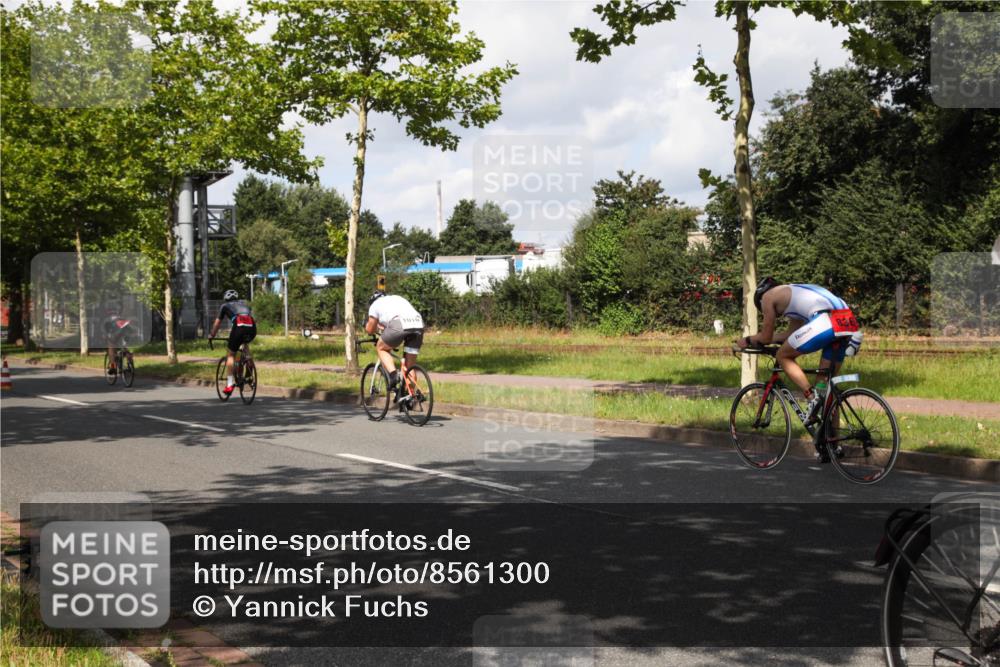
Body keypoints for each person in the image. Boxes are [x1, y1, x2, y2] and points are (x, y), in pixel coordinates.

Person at [736, 278, 863, 457]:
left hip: (827, 320)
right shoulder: (793, 293)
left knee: (783, 355)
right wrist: (770, 340)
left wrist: (747, 340)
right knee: (824, 387)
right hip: (847, 320)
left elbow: (765, 336)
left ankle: (810, 397)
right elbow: (789, 335)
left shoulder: (766, 297)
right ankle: (832, 445)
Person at [364, 290, 424, 401]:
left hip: (399, 324)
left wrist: (367, 327)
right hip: (418, 324)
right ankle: (408, 396)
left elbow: (370, 329)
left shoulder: (374, 305)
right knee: (409, 366)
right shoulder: (396, 298)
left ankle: (393, 375)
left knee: (381, 347)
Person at [209, 290, 256, 396]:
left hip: (239, 327)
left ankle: (229, 385)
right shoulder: (244, 305)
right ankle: (249, 370)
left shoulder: (224, 306)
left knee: (230, 354)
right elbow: (251, 318)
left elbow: (217, 323)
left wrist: (212, 335)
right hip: (252, 327)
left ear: (226, 299)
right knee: (245, 345)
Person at [102, 303, 132, 375]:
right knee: (125, 349)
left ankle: (113, 367)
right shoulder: (124, 315)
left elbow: (107, 327)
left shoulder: (109, 317)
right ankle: (129, 364)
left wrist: (105, 335)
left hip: (115, 334)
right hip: (125, 333)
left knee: (111, 348)